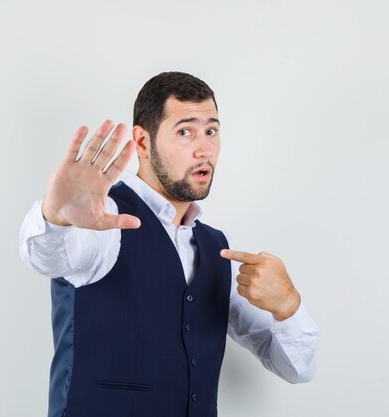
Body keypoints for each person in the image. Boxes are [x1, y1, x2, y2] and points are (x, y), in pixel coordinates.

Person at [19, 72, 319, 417]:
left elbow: (297, 368)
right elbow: (47, 257)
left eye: (212, 131)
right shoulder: (103, 218)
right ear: (143, 144)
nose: (204, 148)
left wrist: (288, 307)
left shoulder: (221, 249)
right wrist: (56, 217)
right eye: (185, 131)